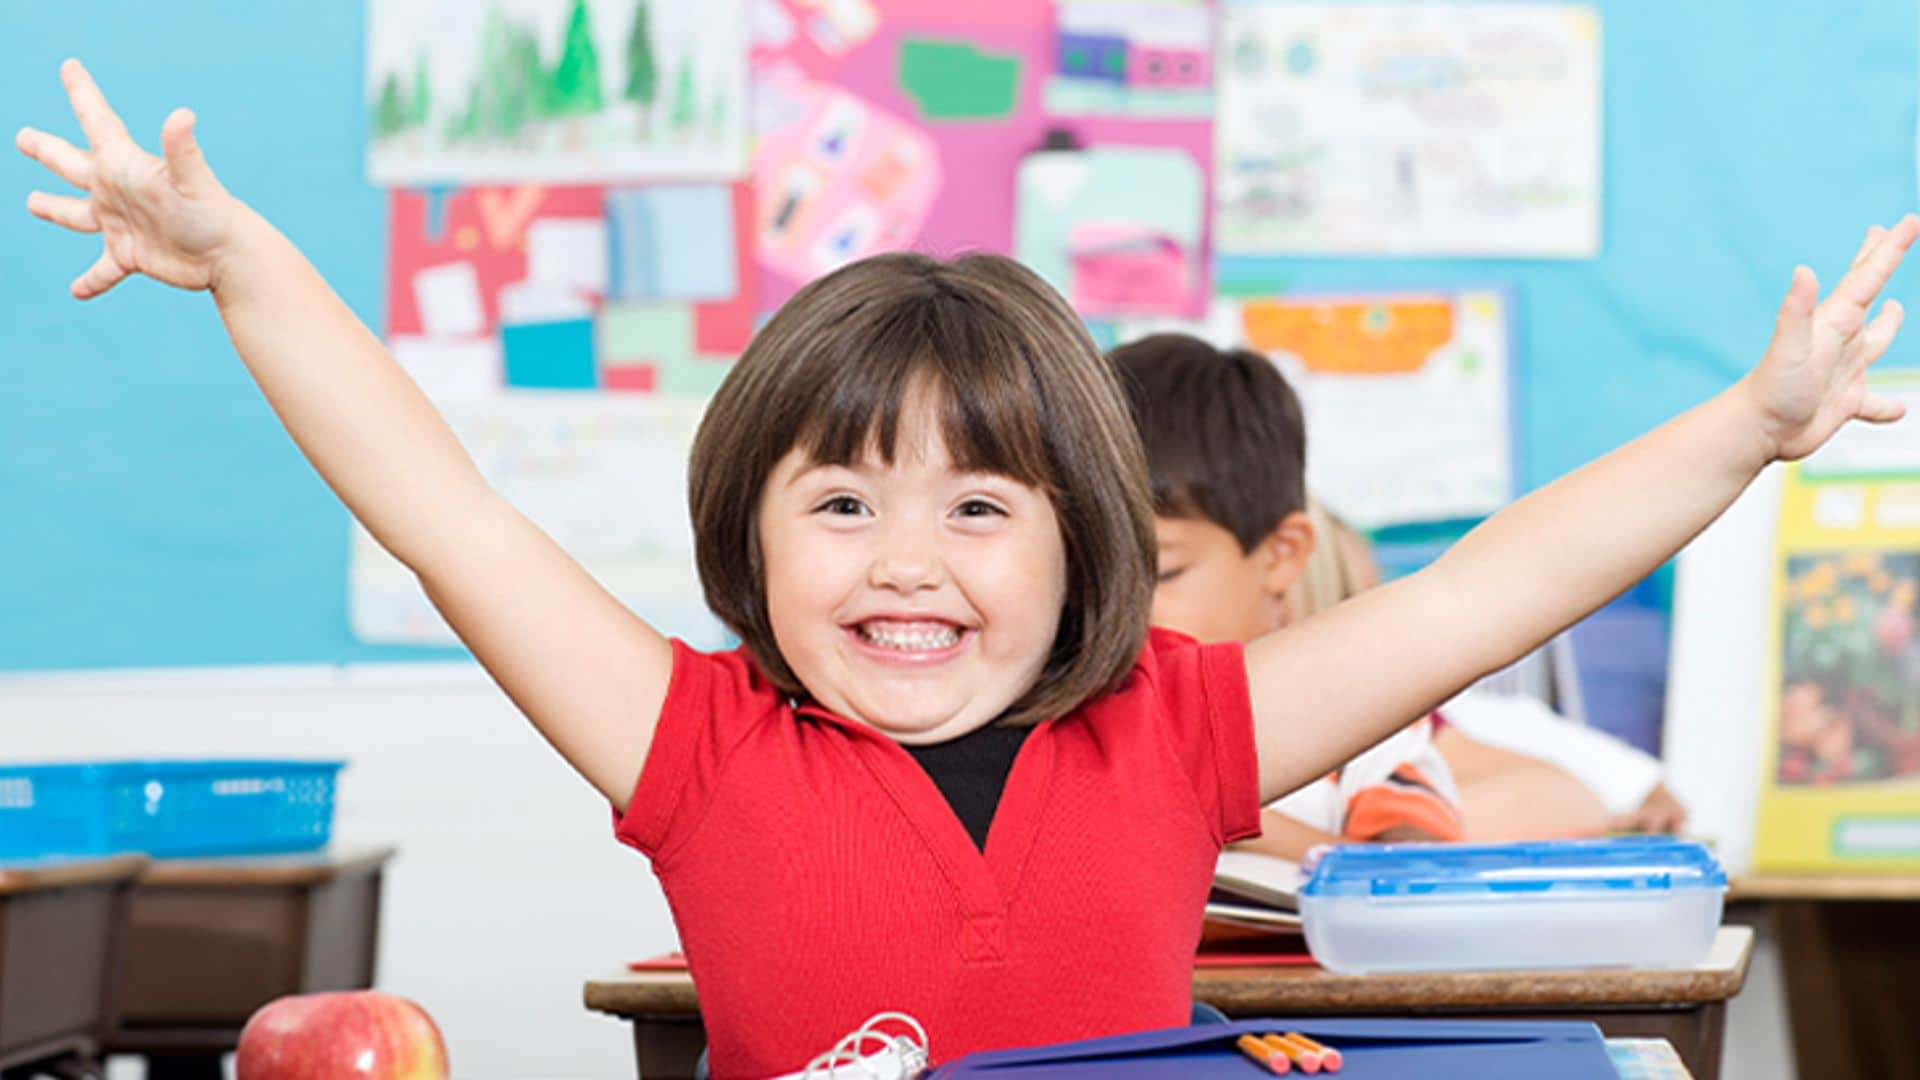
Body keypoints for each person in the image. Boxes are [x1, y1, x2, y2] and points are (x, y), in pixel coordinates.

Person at [18, 60, 1911, 1076]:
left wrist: (1748, 429)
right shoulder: (692, 739)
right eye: (841, 504)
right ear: (747, 542)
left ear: (1082, 546)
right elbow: (446, 512)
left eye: (980, 509)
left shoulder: (1182, 724)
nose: (904, 562)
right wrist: (251, 271)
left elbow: (1494, 585)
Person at [1112, 336, 1463, 860]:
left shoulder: (1365, 721)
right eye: (1092, 575)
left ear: (1279, 556)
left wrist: (1215, 819)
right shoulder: (1075, 719)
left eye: (1165, 573)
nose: (1119, 613)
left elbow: (1418, 877)